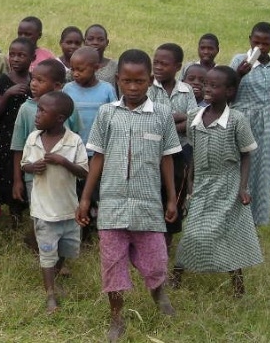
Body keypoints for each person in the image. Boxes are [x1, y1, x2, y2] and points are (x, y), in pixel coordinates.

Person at [76, 49, 181, 343]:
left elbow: (167, 158)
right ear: (117, 80)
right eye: (127, 81)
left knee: (157, 259)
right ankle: (116, 317)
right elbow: (97, 157)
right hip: (112, 204)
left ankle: (159, 294)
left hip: (148, 204)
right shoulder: (108, 113)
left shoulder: (161, 115)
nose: (133, 88)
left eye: (139, 81)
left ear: (150, 80)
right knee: (112, 263)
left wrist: (171, 198)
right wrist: (86, 198)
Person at [172, 66, 262, 296]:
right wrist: (191, 181)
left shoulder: (236, 120)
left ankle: (238, 286)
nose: (207, 89)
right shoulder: (196, 117)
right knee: (192, 232)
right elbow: (194, 151)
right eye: (206, 84)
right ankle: (176, 277)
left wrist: (242, 188)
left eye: (214, 85)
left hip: (227, 184)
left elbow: (246, 155)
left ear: (230, 91)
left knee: (225, 233)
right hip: (202, 184)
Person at [18, 91, 88, 313]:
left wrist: (63, 162)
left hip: (68, 210)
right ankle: (50, 294)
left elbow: (83, 172)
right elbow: (24, 164)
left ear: (60, 118)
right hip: (43, 210)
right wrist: (31, 167)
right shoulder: (33, 138)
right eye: (38, 109)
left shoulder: (73, 141)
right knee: (47, 251)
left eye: (42, 111)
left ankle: (56, 276)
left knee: (66, 250)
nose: (37, 115)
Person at [230, 22, 270, 226]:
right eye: (256, 42)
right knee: (237, 168)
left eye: (265, 44)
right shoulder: (239, 60)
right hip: (240, 120)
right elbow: (226, 92)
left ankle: (253, 221)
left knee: (260, 171)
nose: (260, 47)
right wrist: (239, 74)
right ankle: (232, 218)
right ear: (250, 40)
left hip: (264, 124)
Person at [10, 59, 79, 246]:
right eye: (33, 79)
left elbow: (76, 137)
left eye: (40, 80)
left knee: (60, 212)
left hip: (62, 177)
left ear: (57, 86)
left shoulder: (69, 108)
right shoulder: (26, 109)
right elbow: (18, 147)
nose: (33, 83)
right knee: (39, 213)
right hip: (35, 176)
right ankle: (44, 249)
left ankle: (52, 247)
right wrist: (18, 179)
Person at [62, 46, 117, 237]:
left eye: (80, 70)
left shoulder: (107, 90)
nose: (75, 74)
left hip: (99, 152)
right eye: (72, 69)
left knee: (96, 190)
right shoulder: (68, 89)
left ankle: (97, 224)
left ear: (96, 67)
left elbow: (114, 117)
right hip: (75, 150)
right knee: (76, 190)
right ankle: (79, 227)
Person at [149, 43, 197, 250]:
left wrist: (172, 121)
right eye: (156, 62)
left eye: (164, 64)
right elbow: (149, 120)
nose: (158, 67)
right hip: (152, 151)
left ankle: (166, 243)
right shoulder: (148, 88)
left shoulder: (186, 91)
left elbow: (194, 122)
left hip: (179, 153)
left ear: (177, 67)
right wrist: (178, 120)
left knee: (174, 194)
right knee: (153, 193)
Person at [0, 37, 34, 224]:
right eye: (12, 54)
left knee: (28, 170)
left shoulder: (35, 80)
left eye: (21, 55)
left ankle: (29, 207)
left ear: (32, 58)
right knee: (8, 172)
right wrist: (8, 94)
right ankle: (14, 212)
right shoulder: (3, 80)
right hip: (7, 135)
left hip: (31, 135)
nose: (15, 59)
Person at [84, 24, 117, 88]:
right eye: (90, 39)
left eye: (100, 39)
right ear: (84, 42)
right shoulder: (77, 65)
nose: (95, 42)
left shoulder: (115, 67)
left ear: (107, 43)